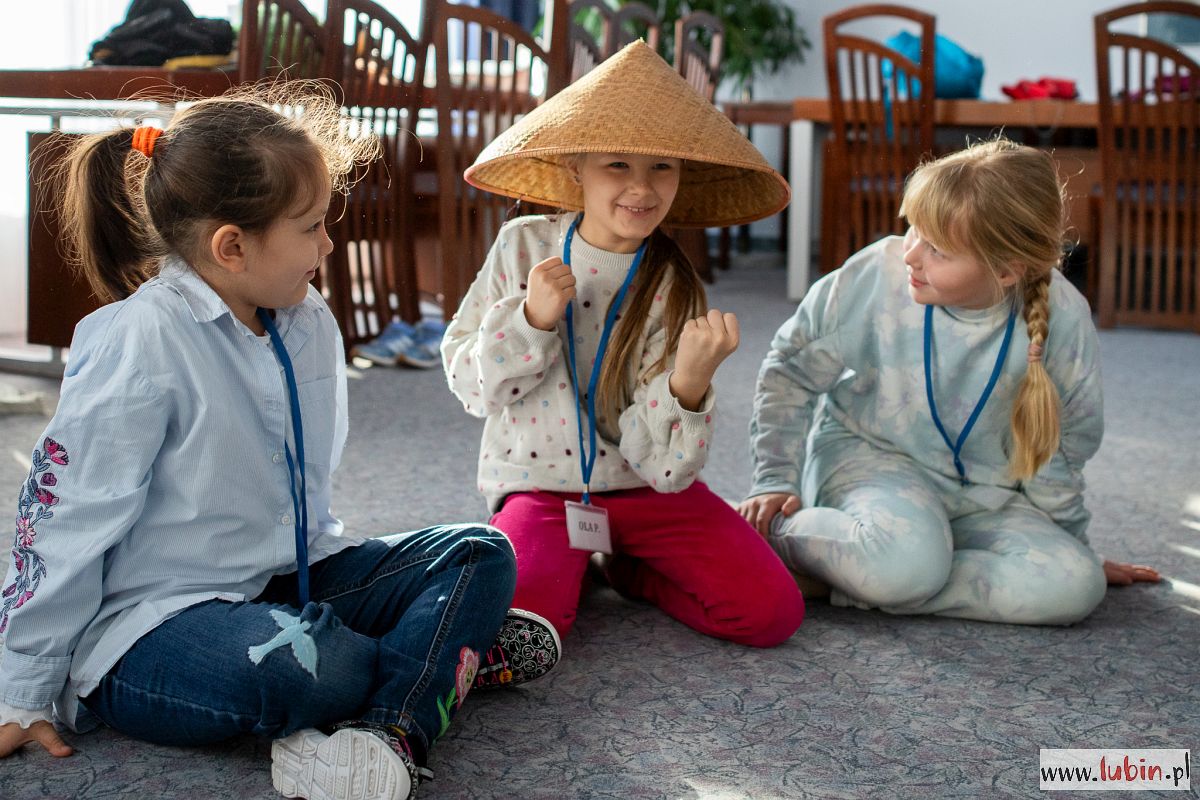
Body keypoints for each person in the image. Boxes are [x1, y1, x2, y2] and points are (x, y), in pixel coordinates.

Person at [0, 83, 544, 800]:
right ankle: (441, 660)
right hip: (150, 626)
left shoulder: (303, 316)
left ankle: (388, 728)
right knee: (315, 664)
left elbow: (307, 503)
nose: (329, 244)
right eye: (311, 227)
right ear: (232, 247)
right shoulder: (137, 343)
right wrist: (24, 685)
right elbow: (62, 523)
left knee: (480, 549)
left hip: (288, 579)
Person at [442, 41, 806, 655]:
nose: (642, 188)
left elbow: (663, 467)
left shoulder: (674, 283)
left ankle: (628, 568)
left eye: (662, 167)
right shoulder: (522, 246)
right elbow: (473, 388)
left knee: (771, 613)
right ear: (575, 169)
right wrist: (531, 320)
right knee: (524, 629)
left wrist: (687, 383)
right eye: (617, 165)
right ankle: (568, 560)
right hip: (542, 487)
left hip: (640, 489)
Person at [740, 138, 1160, 625]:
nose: (911, 255)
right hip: (871, 460)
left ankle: (874, 571)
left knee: (1075, 587)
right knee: (906, 563)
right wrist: (774, 479)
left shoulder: (1063, 318)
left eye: (937, 248)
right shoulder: (874, 275)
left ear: (1007, 270)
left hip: (986, 495)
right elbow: (789, 373)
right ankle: (796, 541)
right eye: (914, 230)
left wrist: (1072, 546)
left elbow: (1059, 451)